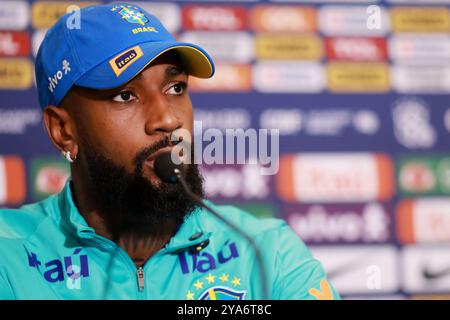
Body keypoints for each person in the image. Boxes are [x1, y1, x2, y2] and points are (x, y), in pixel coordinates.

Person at [0, 3, 339, 300]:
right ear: (64, 131)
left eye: (176, 88)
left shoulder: (266, 253)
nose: (167, 118)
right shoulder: (9, 256)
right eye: (125, 96)